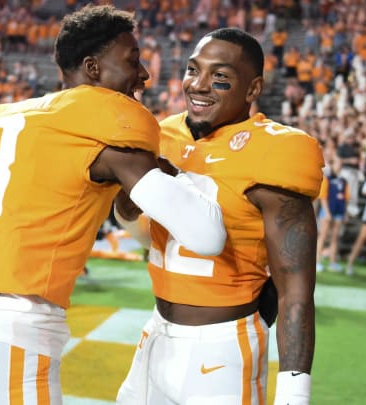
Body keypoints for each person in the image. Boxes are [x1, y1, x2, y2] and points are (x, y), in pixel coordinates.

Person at [0, 6, 227, 404]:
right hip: (10, 337)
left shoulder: (12, 121)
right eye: (132, 60)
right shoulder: (107, 134)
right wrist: (179, 177)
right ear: (92, 68)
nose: (145, 74)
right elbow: (207, 236)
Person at [116, 28, 323, 405]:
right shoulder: (161, 134)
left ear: (253, 89)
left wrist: (294, 391)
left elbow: (295, 287)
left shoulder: (277, 150)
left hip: (223, 346)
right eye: (193, 70)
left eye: (220, 78)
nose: (199, 85)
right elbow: (133, 218)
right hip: (155, 335)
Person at [315, 158, 349, 272]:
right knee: (323, 236)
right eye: (337, 164)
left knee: (335, 238)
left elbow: (346, 198)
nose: (339, 166)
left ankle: (332, 262)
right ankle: (317, 261)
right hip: (327, 211)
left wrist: (345, 213)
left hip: (339, 212)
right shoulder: (327, 179)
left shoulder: (344, 181)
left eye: (340, 164)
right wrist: (327, 212)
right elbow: (323, 196)